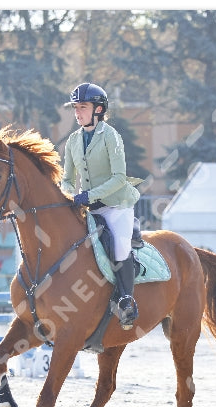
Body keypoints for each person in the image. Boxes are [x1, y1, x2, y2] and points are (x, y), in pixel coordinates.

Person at [61, 82, 142, 329]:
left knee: (119, 245)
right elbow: (66, 178)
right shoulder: (73, 140)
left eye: (82, 107)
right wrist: (67, 196)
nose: (77, 113)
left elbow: (119, 177)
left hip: (117, 205)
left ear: (98, 109)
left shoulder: (111, 136)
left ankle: (127, 299)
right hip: (90, 208)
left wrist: (89, 195)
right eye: (75, 108)